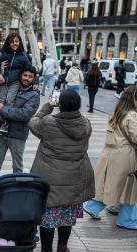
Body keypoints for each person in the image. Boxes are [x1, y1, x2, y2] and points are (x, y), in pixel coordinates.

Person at [28, 90, 95, 252]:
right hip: (74, 179)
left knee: (48, 217)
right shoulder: (85, 124)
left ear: (60, 104)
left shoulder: (49, 123)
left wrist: (48, 107)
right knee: (67, 216)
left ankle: (46, 249)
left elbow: (32, 122)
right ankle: (63, 246)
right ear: (78, 105)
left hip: (50, 180)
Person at [0, 65, 40, 207]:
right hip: (1, 133)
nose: (27, 78)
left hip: (17, 135)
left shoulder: (34, 95)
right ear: (20, 76)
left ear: (33, 78)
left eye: (30, 76)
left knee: (17, 167)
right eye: (25, 75)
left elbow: (24, 114)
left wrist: (3, 109)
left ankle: (16, 197)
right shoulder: (11, 87)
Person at [83, 86, 137, 230]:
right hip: (124, 155)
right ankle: (127, 220)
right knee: (129, 188)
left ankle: (93, 206)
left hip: (110, 153)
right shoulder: (132, 115)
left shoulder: (116, 112)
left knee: (110, 184)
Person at [0, 33, 32, 134]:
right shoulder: (4, 55)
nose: (14, 43)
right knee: (1, 100)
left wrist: (35, 81)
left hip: (15, 82)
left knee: (9, 100)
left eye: (16, 41)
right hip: (3, 82)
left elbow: (30, 69)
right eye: (12, 41)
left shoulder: (22, 56)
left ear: (20, 42)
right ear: (8, 43)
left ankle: (6, 122)